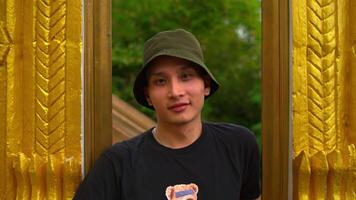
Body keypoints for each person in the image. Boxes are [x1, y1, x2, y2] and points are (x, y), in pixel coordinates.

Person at [74, 29, 261, 200]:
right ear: (148, 95)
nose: (175, 92)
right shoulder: (119, 163)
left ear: (206, 85)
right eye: (161, 81)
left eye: (185, 76)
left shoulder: (238, 145)